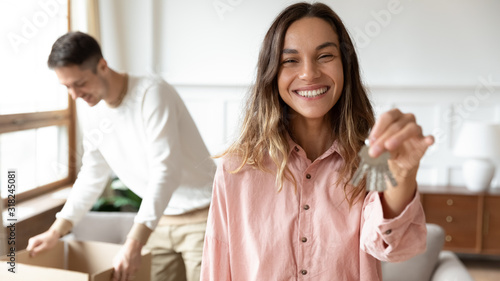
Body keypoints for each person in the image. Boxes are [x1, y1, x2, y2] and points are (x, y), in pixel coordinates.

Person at [200, 2, 434, 280]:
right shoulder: (235, 168)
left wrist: (402, 175)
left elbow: (394, 248)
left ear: (345, 66)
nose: (309, 73)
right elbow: (217, 267)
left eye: (325, 56)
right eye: (290, 60)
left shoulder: (370, 159)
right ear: (272, 73)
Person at [26, 31, 216, 281]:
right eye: (67, 87)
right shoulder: (92, 109)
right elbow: (92, 174)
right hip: (158, 221)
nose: (75, 95)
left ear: (102, 66)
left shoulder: (152, 93)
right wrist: (56, 230)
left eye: (80, 83)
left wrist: (134, 243)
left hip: (202, 218)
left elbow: (165, 171)